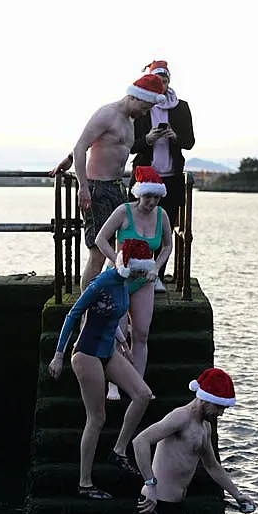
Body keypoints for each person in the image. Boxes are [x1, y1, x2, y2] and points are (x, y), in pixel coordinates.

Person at [132, 368, 255, 514]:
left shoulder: (204, 427)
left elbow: (213, 467)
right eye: (219, 407)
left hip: (176, 510)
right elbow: (141, 441)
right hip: (153, 508)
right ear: (206, 398)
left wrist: (237, 494)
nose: (221, 413)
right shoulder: (180, 417)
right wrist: (149, 483)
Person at [47, 239, 156, 500]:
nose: (143, 275)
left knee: (143, 395)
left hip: (108, 351)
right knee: (97, 418)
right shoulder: (103, 282)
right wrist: (58, 355)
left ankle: (118, 451)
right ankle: (85, 483)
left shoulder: (124, 284)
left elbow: (110, 317)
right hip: (86, 353)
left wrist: (124, 345)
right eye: (140, 270)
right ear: (129, 266)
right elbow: (73, 314)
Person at [50, 75, 167, 290]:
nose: (145, 112)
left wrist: (67, 161)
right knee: (98, 252)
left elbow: (105, 145)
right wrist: (83, 187)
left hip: (116, 186)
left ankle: (111, 304)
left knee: (120, 248)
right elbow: (81, 145)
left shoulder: (131, 120)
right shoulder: (107, 114)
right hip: (96, 188)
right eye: (145, 106)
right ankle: (84, 311)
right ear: (134, 97)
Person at [95, 166, 172, 400]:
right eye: (148, 197)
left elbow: (167, 245)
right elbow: (100, 239)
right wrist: (116, 261)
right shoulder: (123, 211)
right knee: (116, 332)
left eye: (156, 197)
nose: (152, 202)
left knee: (141, 334)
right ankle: (113, 386)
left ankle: (137, 385)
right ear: (139, 193)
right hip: (119, 279)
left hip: (144, 280)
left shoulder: (162, 215)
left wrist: (156, 267)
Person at [130, 60, 195, 290]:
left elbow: (190, 142)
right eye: (157, 80)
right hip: (145, 175)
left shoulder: (181, 107)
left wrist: (174, 136)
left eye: (165, 80)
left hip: (172, 177)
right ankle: (137, 271)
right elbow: (130, 145)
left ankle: (158, 274)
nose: (162, 84)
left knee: (166, 228)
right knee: (139, 227)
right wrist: (147, 140)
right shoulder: (140, 107)